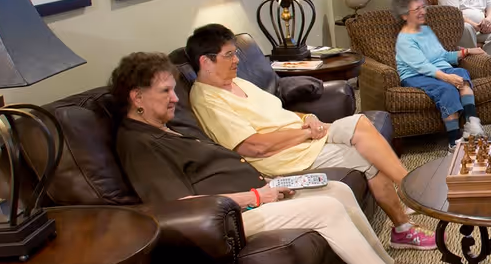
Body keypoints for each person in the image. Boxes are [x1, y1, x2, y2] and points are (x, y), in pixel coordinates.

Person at [110, 52, 448, 264]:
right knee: (327, 209)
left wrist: (266, 186)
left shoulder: (164, 129)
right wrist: (258, 194)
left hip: (259, 190)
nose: (175, 98)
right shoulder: (138, 144)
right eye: (165, 91)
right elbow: (178, 205)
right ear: (136, 97)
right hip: (226, 219)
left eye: (173, 89)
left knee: (338, 189)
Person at [183, 23, 437, 250]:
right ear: (205, 61)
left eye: (235, 53)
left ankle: (406, 220)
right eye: (229, 55)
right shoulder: (208, 100)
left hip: (304, 140)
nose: (236, 60)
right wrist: (304, 133)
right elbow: (253, 147)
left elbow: (277, 113)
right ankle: (414, 191)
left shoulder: (238, 83)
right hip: (284, 158)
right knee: (361, 129)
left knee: (366, 142)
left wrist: (308, 119)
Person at [392, 0, 491, 140]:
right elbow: (423, 66)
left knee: (462, 75)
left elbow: (442, 56)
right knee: (447, 89)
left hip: (438, 69)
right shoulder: (405, 39)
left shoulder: (426, 31)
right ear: (405, 15)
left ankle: (472, 124)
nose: (423, 11)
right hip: (415, 75)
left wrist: (468, 51)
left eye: (423, 7)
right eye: (417, 9)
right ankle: (454, 141)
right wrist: (447, 78)